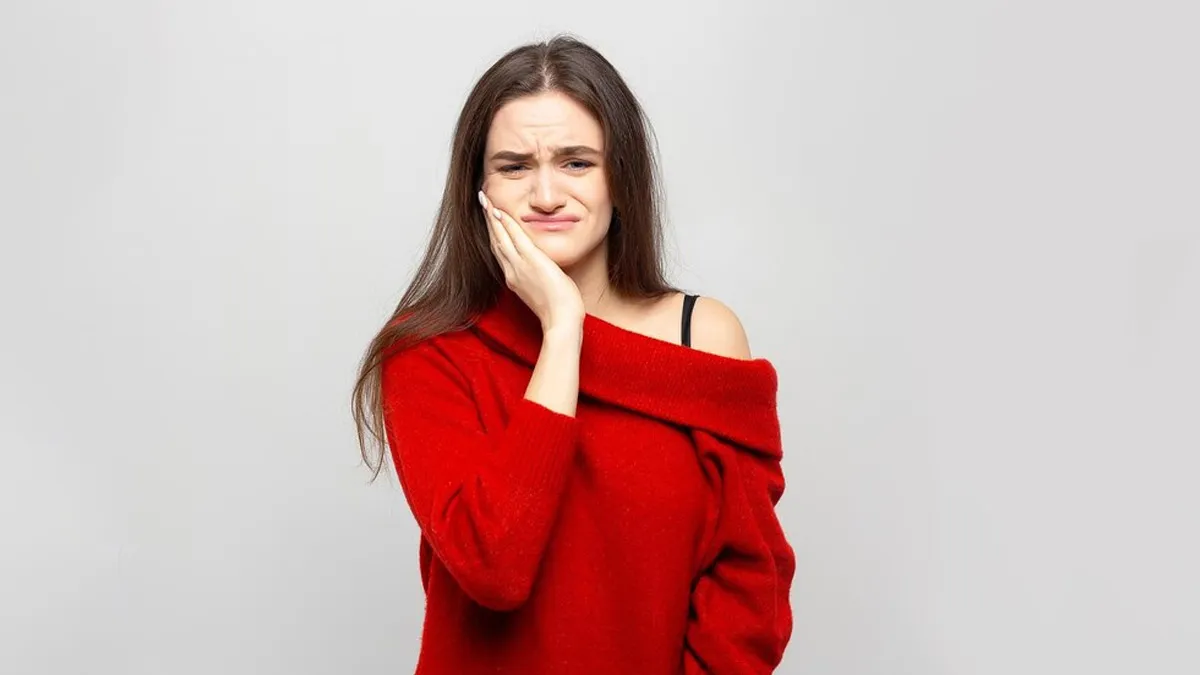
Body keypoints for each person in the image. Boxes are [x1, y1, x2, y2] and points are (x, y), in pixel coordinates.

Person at [352, 34, 795, 674]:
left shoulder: (703, 334)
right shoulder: (430, 352)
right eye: (514, 167)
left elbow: (749, 585)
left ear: (622, 178)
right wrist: (563, 330)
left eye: (577, 162)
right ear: (478, 188)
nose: (546, 195)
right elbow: (494, 564)